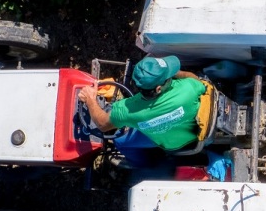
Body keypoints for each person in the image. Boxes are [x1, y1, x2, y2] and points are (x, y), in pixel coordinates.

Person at [77, 55, 206, 153]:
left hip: (171, 143)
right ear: (158, 89)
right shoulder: (188, 89)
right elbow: (193, 78)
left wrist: (90, 99)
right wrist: (169, 72)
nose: (171, 77)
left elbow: (102, 124)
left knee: (119, 141)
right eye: (168, 77)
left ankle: (142, 164)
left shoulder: (126, 111)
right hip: (192, 135)